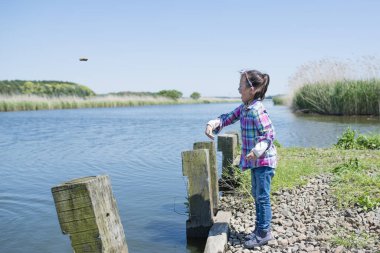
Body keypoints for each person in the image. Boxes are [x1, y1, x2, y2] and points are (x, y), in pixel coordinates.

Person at [205, 69, 277, 248]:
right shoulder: (245, 108)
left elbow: (269, 134)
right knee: (257, 194)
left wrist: (257, 150)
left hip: (264, 161)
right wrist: (213, 123)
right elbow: (229, 117)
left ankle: (263, 233)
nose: (238, 90)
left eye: (240, 86)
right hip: (256, 162)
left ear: (252, 89)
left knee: (262, 197)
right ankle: (260, 228)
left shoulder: (257, 109)